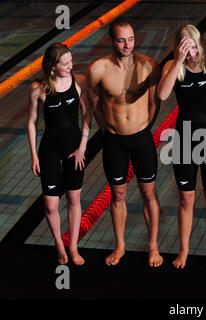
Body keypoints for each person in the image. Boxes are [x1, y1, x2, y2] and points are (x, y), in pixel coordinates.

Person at [87, 19, 163, 267]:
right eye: (121, 40)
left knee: (148, 193)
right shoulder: (98, 69)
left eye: (130, 38)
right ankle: (120, 246)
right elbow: (95, 105)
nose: (127, 44)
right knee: (117, 195)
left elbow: (154, 103)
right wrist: (108, 129)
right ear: (112, 40)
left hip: (141, 139)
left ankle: (153, 246)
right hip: (114, 141)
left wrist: (144, 127)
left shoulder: (148, 66)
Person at [157, 24, 206, 271]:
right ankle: (184, 249)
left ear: (200, 43)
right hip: (183, 140)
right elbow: (162, 95)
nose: (190, 52)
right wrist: (177, 60)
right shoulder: (173, 68)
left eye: (193, 46)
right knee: (185, 198)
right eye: (184, 47)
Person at [27, 43, 91, 265]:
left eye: (71, 61)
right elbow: (32, 122)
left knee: (74, 200)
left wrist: (83, 146)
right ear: (52, 67)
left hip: (75, 149)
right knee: (51, 205)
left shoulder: (79, 81)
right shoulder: (38, 88)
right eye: (65, 64)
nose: (71, 66)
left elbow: (87, 117)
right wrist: (34, 155)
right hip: (50, 150)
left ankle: (73, 247)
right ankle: (59, 245)